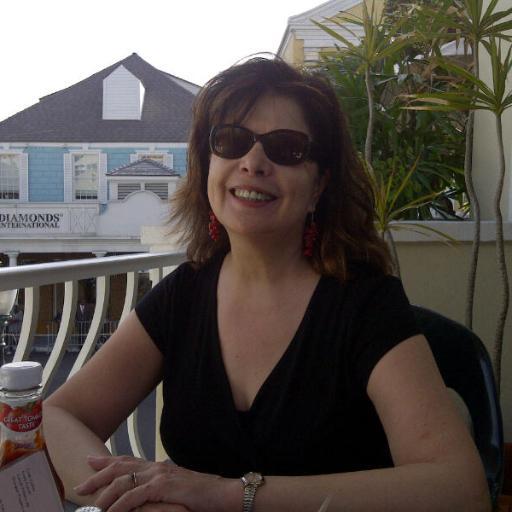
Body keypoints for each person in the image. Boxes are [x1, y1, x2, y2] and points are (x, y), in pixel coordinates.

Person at [44, 57, 491, 512]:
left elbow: (460, 488)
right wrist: (144, 500)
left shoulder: (365, 304)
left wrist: (227, 495)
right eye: (231, 140)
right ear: (208, 164)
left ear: (319, 186)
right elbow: (56, 416)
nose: (253, 162)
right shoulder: (184, 295)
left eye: (287, 148)